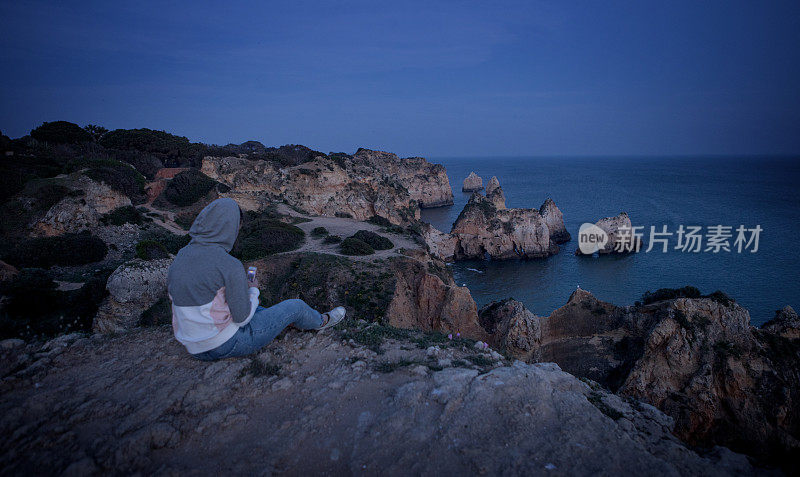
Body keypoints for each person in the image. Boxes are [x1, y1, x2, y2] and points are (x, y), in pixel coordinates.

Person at [166, 198, 345, 361]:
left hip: (194, 348)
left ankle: (289, 322)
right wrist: (253, 289)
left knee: (258, 309)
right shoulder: (229, 264)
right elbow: (242, 319)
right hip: (225, 344)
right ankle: (323, 321)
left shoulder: (181, 256)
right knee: (295, 306)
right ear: (228, 227)